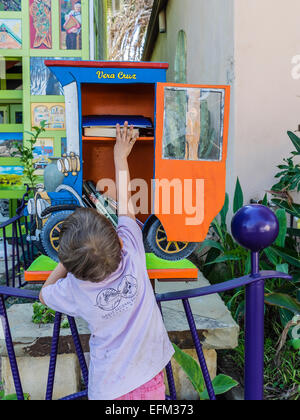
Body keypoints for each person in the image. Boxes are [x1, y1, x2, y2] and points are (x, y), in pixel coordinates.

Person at [39, 122, 175, 400]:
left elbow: (44, 294)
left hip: (108, 389)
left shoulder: (74, 289)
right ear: (118, 239)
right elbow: (126, 204)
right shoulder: (133, 253)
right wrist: (120, 156)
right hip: (151, 380)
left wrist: (66, 263)